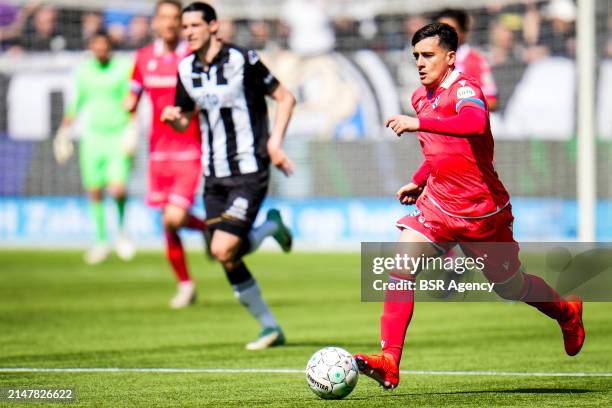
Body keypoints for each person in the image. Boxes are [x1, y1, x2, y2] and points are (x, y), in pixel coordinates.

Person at [354, 23, 585, 390]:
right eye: (416, 56)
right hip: (438, 207)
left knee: (511, 287)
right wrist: (420, 178)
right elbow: (440, 151)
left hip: (483, 213)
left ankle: (567, 312)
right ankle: (389, 360)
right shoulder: (420, 97)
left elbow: (474, 123)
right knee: (401, 267)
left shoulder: (465, 89)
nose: (420, 62)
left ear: (449, 57)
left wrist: (419, 123)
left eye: (427, 55)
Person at [161, 2, 296, 350]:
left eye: (193, 26)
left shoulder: (243, 60)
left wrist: (275, 142)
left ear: (213, 27)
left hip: (249, 169)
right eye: (184, 26)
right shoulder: (186, 68)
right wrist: (172, 117)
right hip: (213, 175)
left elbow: (285, 97)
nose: (187, 31)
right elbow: (185, 118)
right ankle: (271, 327)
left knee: (223, 247)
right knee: (224, 253)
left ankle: (268, 232)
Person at [125, 0, 208, 309]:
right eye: (165, 18)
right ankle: (185, 283)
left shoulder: (192, 57)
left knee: (173, 218)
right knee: (168, 222)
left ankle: (206, 233)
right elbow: (131, 97)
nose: (170, 23)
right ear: (155, 22)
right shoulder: (143, 57)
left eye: (176, 18)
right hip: (157, 154)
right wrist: (129, 127)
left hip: (188, 149)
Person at [54, 30, 135, 264]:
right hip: (93, 138)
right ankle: (100, 240)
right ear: (91, 47)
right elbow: (77, 102)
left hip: (117, 135)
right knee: (95, 190)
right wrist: (64, 131)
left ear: (109, 47)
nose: (100, 49)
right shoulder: (85, 71)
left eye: (103, 45)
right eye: (96, 45)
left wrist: (131, 127)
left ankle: (121, 233)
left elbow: (130, 100)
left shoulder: (122, 69)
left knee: (118, 189)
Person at [435, 8, 498, 111]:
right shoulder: (433, 60)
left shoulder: (474, 61)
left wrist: (461, 103)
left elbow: (492, 101)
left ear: (463, 32)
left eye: (451, 30)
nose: (445, 35)